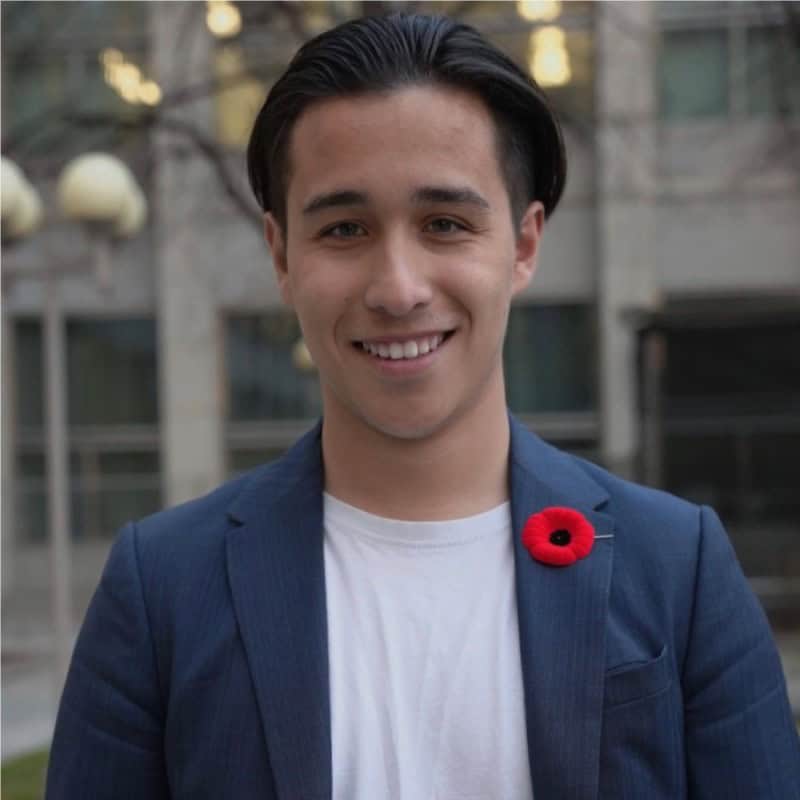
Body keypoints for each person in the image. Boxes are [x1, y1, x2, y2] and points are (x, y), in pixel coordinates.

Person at [46, 13, 800, 800]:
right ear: (282, 255)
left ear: (523, 245)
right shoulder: (162, 588)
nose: (398, 288)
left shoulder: (679, 569)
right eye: (345, 229)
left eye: (445, 224)